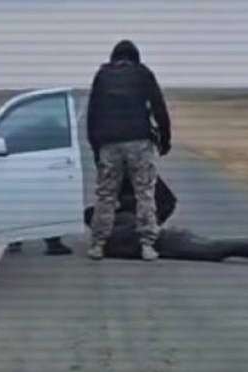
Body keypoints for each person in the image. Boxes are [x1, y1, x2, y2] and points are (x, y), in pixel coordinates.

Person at [86, 39, 171, 262]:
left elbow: (92, 114)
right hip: (139, 142)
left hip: (109, 144)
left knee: (106, 195)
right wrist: (165, 140)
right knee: (144, 192)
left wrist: (96, 148)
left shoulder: (102, 76)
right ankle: (147, 245)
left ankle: (98, 244)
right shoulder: (143, 74)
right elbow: (159, 108)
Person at [82, 172, 248, 263]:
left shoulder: (107, 239)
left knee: (210, 248)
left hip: (165, 241)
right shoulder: (115, 227)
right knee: (210, 248)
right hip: (164, 238)